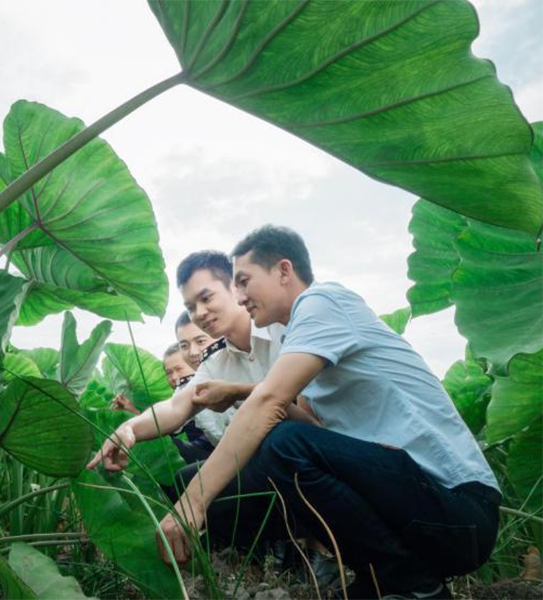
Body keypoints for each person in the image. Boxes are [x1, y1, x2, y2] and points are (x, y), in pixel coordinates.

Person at [157, 226, 500, 600]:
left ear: (283, 271)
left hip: (459, 508)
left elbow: (271, 405)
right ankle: (383, 579)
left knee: (281, 444)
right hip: (411, 508)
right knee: (257, 464)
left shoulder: (323, 301)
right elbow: (308, 428)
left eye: (243, 281)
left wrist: (192, 502)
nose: (239, 297)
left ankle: (414, 587)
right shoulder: (297, 340)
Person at [87, 250, 318, 545]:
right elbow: (176, 405)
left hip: (313, 454)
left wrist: (237, 392)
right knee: (187, 477)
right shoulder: (214, 363)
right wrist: (129, 428)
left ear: (236, 287)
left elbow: (305, 417)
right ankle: (263, 548)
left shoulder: (285, 328)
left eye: (206, 298)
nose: (199, 313)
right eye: (191, 306)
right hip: (264, 464)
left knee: (282, 438)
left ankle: (316, 542)